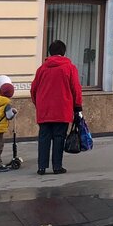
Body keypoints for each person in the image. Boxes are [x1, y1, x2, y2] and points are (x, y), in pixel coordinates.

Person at [30, 40, 83, 175]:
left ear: (50, 52)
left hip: (44, 110)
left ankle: (41, 167)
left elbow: (33, 90)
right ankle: (57, 166)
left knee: (44, 137)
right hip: (62, 108)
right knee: (59, 137)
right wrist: (77, 106)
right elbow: (76, 88)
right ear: (63, 52)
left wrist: (39, 104)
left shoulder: (41, 69)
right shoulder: (69, 68)